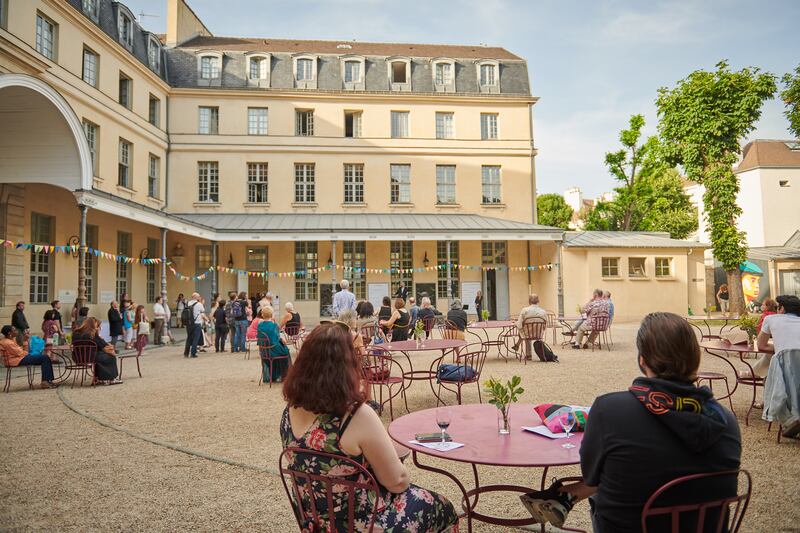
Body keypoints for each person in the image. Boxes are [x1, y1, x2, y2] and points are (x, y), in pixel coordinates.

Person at [520, 312, 741, 531]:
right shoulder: (726, 422)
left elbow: (592, 475)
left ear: (642, 359)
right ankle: (566, 497)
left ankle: (565, 497)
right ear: (696, 359)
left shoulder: (610, 410)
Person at [281, 322, 457, 532]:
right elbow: (397, 482)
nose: (362, 356)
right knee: (442, 507)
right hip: (365, 522)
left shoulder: (288, 412)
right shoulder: (355, 416)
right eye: (358, 352)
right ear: (346, 364)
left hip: (315, 522)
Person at [752, 295, 800, 377]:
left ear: (782, 308)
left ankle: (753, 373)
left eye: (777, 307)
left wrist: (781, 346)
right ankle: (754, 373)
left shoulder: (770, 319)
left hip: (784, 370)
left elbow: (761, 346)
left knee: (774, 356)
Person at [72, 317, 122, 385]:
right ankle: (110, 379)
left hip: (77, 358)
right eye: (97, 325)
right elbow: (104, 345)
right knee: (110, 357)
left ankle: (99, 378)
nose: (98, 327)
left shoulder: (76, 333)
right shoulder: (92, 334)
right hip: (91, 357)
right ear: (93, 325)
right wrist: (99, 335)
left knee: (100, 355)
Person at [257, 306, 290, 383]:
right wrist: (282, 340)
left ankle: (274, 375)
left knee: (281, 349)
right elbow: (276, 339)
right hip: (272, 349)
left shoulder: (259, 325)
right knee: (286, 351)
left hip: (264, 351)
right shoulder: (274, 325)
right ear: (272, 315)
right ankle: (284, 375)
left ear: (262, 315)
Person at [183, 292, 204, 358]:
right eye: (198, 296)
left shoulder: (188, 303)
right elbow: (203, 310)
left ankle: (186, 353)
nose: (199, 297)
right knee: (196, 338)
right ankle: (193, 353)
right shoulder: (199, 304)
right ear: (196, 297)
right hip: (197, 323)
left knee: (189, 338)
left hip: (189, 323)